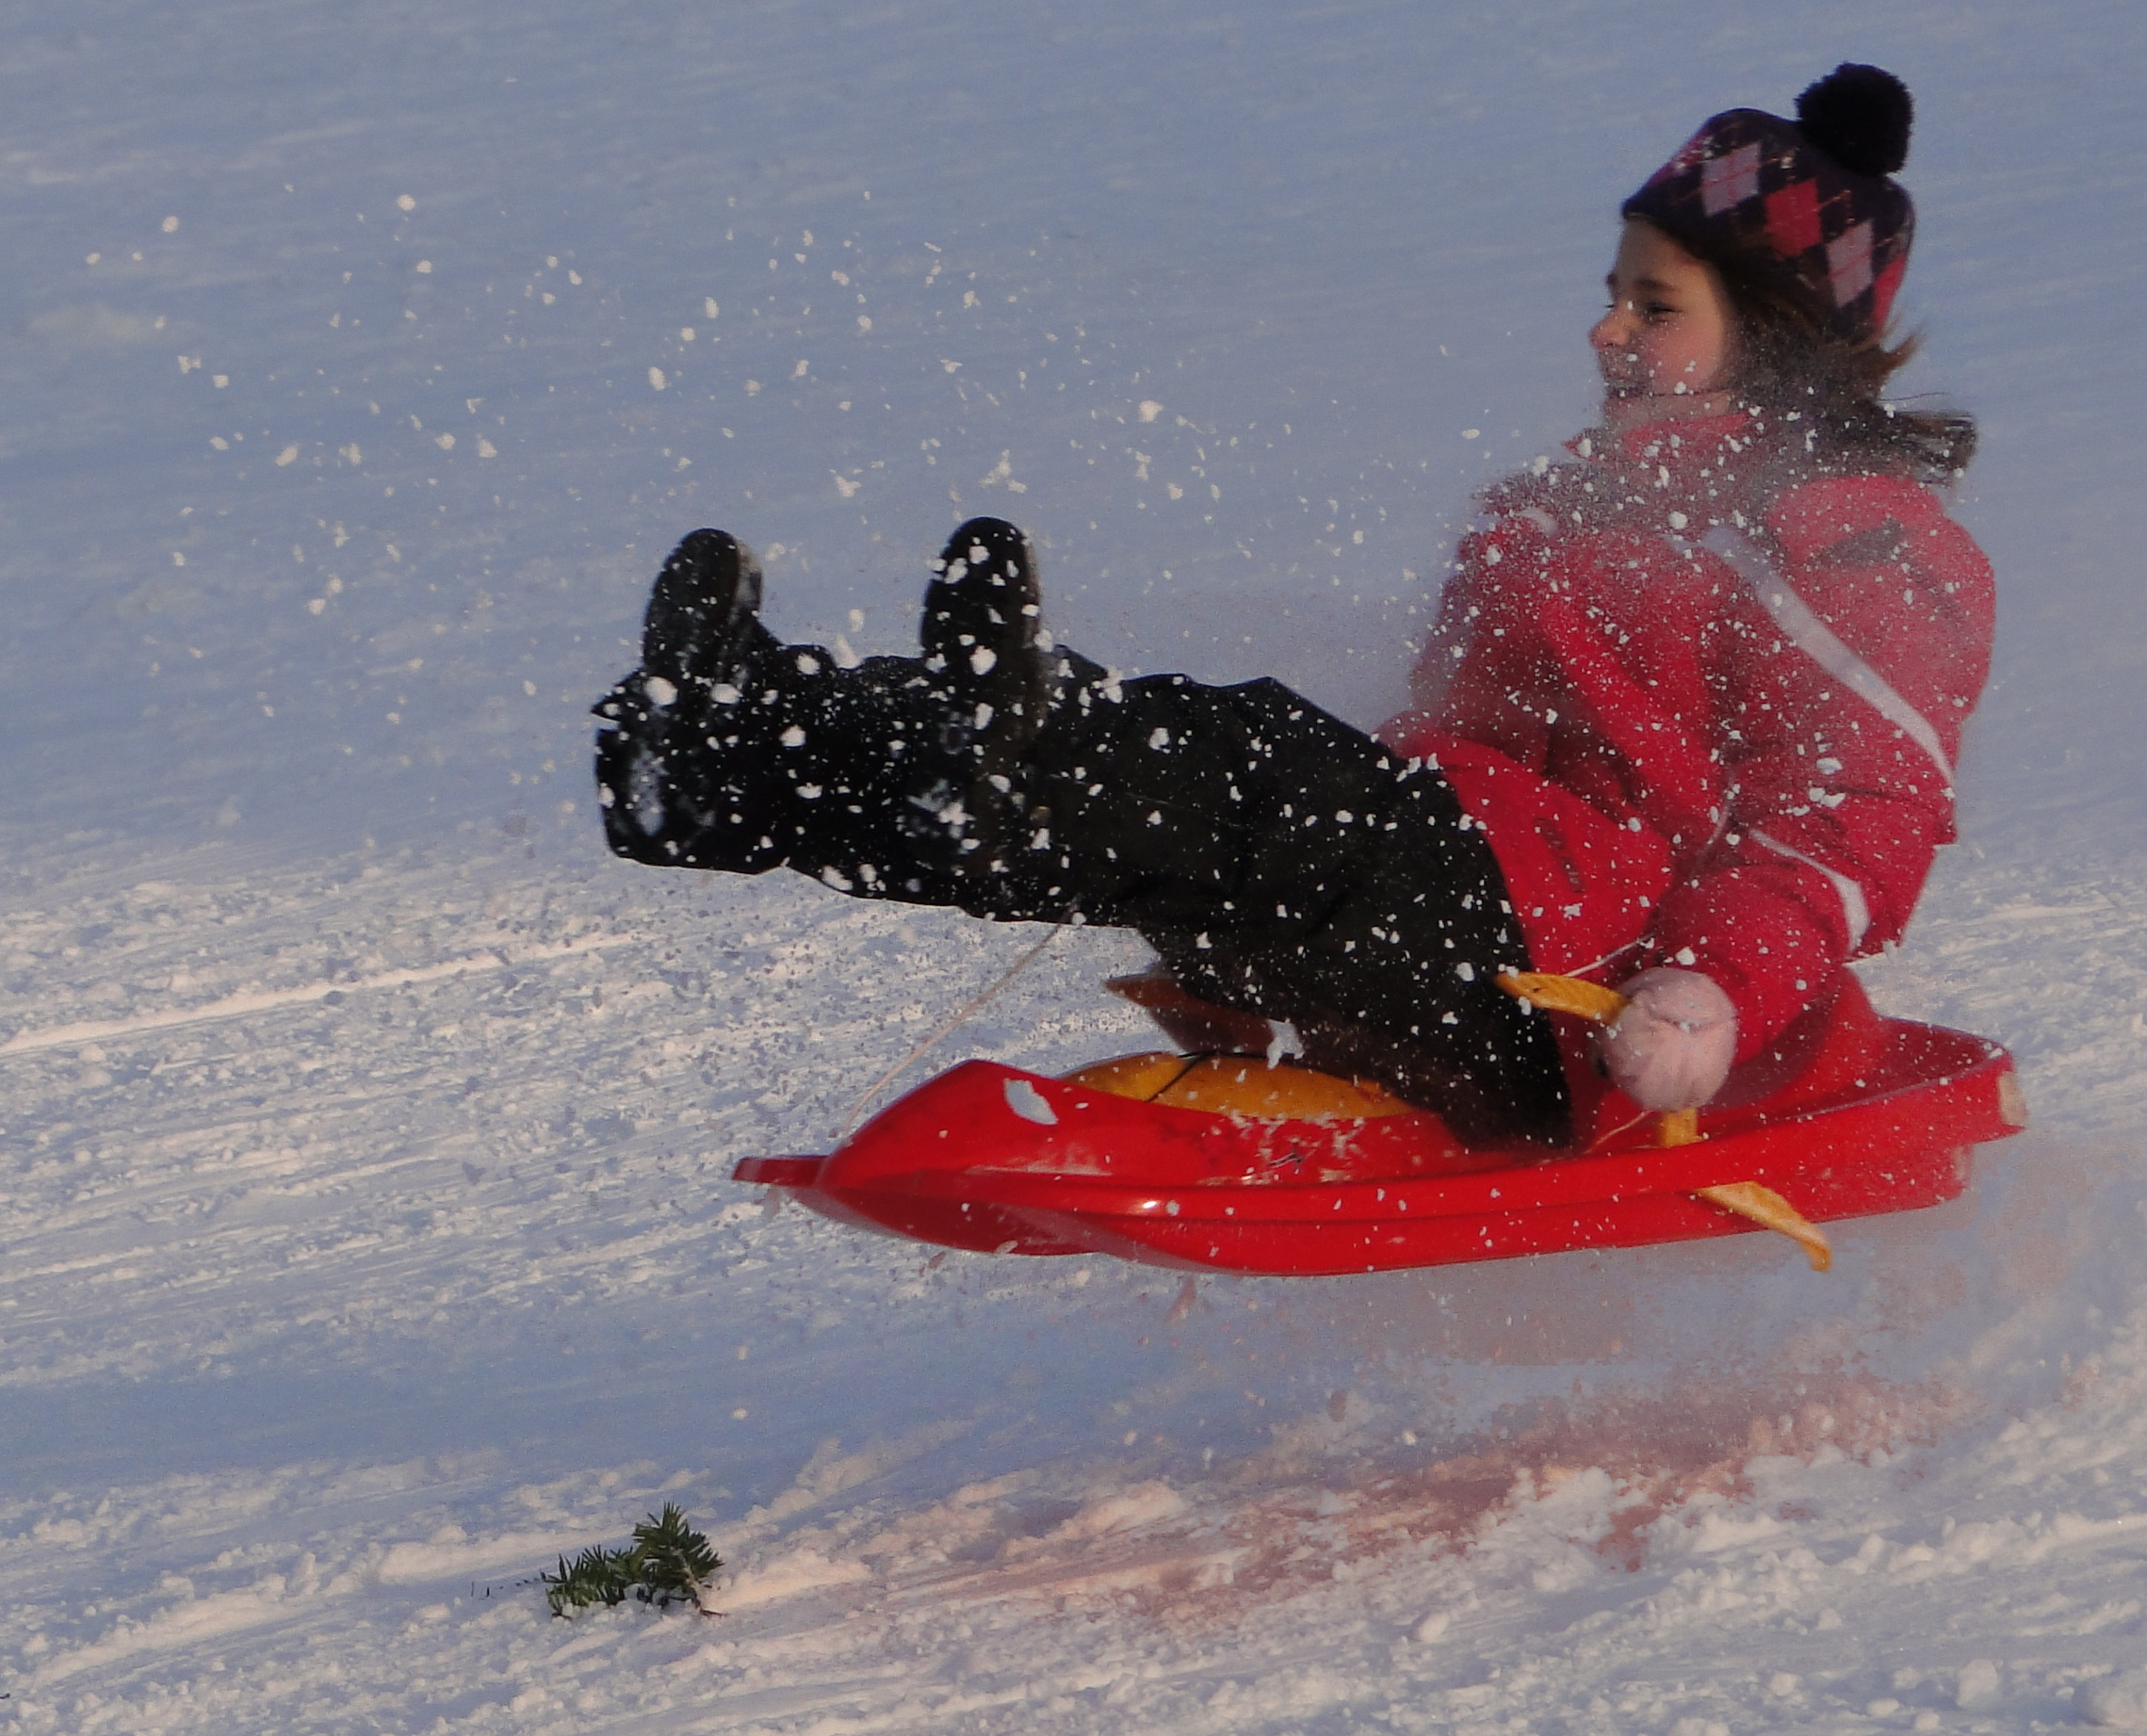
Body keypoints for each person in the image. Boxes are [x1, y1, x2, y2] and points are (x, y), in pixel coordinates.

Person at [591, 63, 1992, 1152]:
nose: (1605, 331)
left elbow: (1856, 817)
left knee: (1245, 763)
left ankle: (1000, 761)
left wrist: (1709, 995)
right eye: (1611, 295)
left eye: (1653, 304)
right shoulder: (1558, 510)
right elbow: (1456, 729)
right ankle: (745, 761)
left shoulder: (1851, 545)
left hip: (1577, 991)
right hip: (1454, 894)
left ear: (1780, 343)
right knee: (1163, 784)